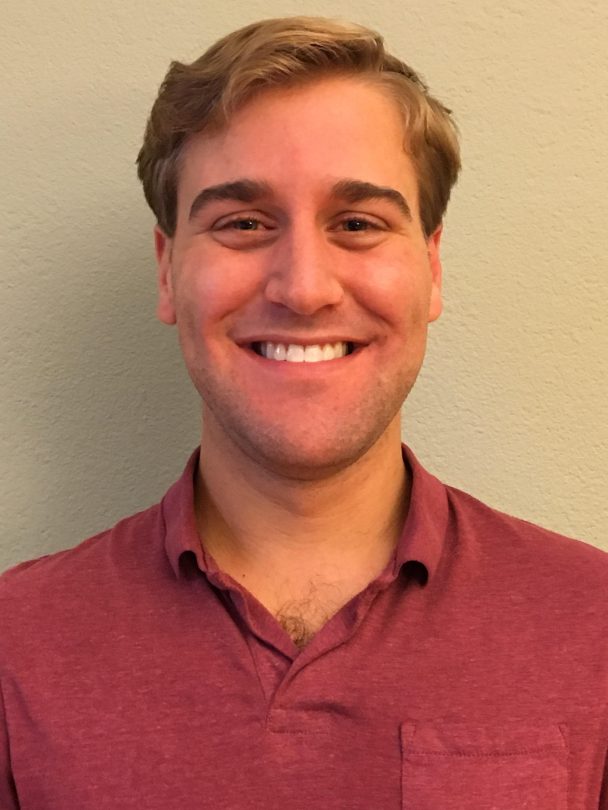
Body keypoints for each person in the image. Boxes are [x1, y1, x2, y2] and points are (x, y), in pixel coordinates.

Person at [0, 15, 606, 810]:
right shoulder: (16, 648)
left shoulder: (593, 626)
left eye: (357, 224)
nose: (304, 287)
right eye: (244, 224)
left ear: (430, 268)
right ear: (167, 270)